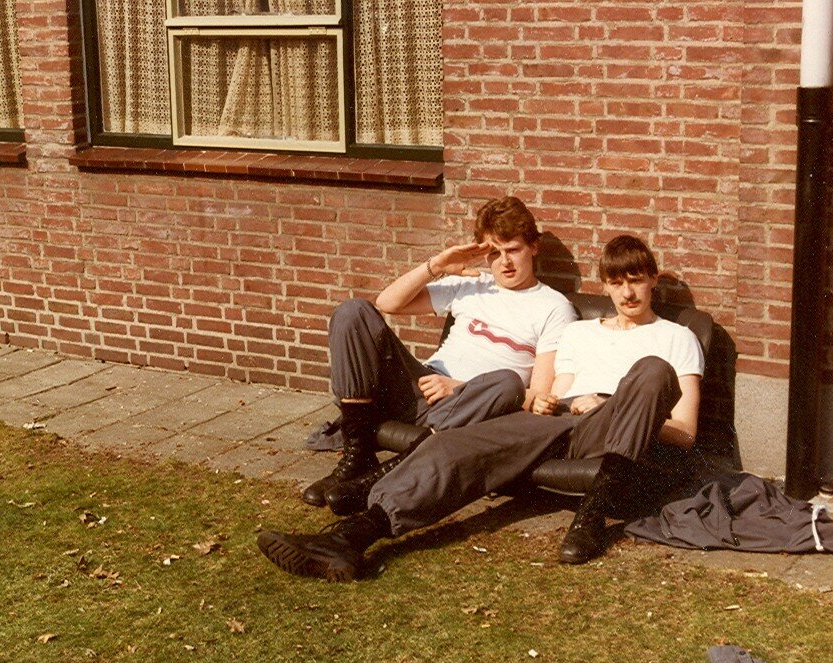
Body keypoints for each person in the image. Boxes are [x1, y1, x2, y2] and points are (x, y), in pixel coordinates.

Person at [258, 234, 704, 581]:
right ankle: (351, 536)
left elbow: (684, 431)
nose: (628, 292)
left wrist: (611, 403)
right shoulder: (580, 333)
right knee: (450, 447)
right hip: (557, 421)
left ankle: (592, 516)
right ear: (605, 285)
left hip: (613, 423)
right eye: (617, 282)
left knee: (652, 370)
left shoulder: (676, 338)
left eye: (636, 280)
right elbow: (552, 391)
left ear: (653, 280)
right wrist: (542, 399)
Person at [301, 196, 577, 514]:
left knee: (508, 381)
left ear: (534, 247)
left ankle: (381, 475)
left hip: (476, 404)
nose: (505, 262)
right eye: (493, 253)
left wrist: (458, 387)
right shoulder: (472, 284)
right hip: (422, 388)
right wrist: (437, 266)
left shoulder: (554, 307)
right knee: (353, 312)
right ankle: (357, 457)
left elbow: (538, 398)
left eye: (513, 249)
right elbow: (388, 303)